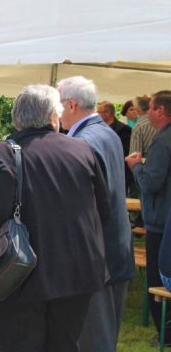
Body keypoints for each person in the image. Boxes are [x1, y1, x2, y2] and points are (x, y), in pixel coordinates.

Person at [0, 84, 110, 351]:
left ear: (17, 118)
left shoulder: (4, 153)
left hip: (20, 273)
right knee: (64, 344)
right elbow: (103, 210)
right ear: (53, 116)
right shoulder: (82, 150)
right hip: (77, 271)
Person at [58, 77, 134, 352]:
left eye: (58, 104)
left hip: (96, 256)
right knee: (104, 337)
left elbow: (80, 207)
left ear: (71, 105)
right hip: (115, 248)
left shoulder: (81, 142)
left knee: (93, 340)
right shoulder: (107, 132)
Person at [126, 90, 171, 346]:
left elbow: (151, 183)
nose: (146, 114)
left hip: (160, 221)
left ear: (161, 111)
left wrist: (137, 167)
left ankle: (165, 334)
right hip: (165, 217)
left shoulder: (162, 142)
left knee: (157, 278)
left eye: (150, 108)